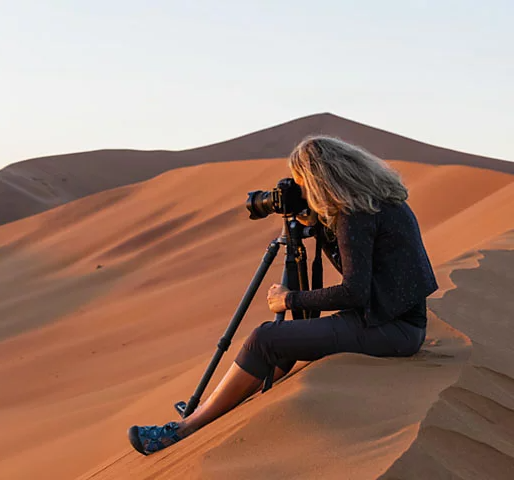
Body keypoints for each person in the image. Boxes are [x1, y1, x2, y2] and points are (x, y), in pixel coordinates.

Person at [127, 135, 438, 456]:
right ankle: (216, 407)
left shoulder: (354, 216)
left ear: (320, 181)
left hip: (392, 332)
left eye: (304, 184)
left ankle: (184, 428)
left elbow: (353, 292)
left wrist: (288, 300)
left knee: (266, 337)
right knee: (284, 341)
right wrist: (317, 223)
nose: (301, 192)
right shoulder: (380, 202)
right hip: (398, 323)